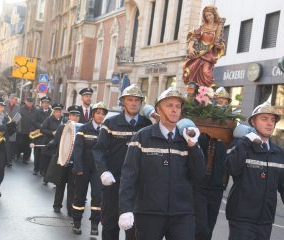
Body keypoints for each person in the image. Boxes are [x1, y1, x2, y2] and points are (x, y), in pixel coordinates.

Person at [118, 87, 205, 240]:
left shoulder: (186, 140)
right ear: (158, 109)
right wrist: (125, 208)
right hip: (149, 213)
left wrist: (193, 146)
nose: (174, 110)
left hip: (181, 214)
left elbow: (199, 174)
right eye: (169, 105)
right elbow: (129, 175)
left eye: (177, 106)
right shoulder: (142, 137)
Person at [93, 84, 152, 240]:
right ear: (123, 102)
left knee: (134, 229)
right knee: (110, 225)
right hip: (113, 183)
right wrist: (103, 171)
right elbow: (99, 150)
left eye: (137, 100)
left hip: (137, 185)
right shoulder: (110, 123)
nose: (134, 103)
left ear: (141, 103)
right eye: (130, 100)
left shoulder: (147, 125)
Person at [225, 101, 284, 240]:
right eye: (264, 119)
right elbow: (231, 168)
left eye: (272, 120)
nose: (269, 123)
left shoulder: (279, 153)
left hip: (265, 220)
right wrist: (245, 142)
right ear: (253, 122)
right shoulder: (241, 146)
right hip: (241, 219)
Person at [193, 87, 231, 240]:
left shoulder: (231, 128)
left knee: (209, 228)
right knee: (200, 227)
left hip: (217, 185)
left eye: (224, 102)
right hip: (199, 185)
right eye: (218, 102)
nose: (221, 105)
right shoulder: (203, 124)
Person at [72, 102, 108, 235]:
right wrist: (78, 167)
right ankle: (76, 222)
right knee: (80, 196)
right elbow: (78, 149)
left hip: (98, 170)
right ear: (93, 114)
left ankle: (94, 225)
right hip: (84, 168)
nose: (100, 116)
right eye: (98, 113)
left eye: (103, 114)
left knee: (97, 197)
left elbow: (107, 151)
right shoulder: (84, 128)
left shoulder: (105, 130)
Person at [49, 105, 81, 217]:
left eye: (77, 116)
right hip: (62, 160)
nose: (75, 118)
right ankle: (57, 205)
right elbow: (56, 141)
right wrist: (51, 144)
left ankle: (70, 208)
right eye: (73, 115)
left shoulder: (81, 128)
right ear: (69, 116)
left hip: (74, 162)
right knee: (60, 184)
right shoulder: (62, 127)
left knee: (72, 187)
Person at [183, 5, 225, 87]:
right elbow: (194, 37)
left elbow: (220, 42)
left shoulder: (219, 27)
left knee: (206, 72)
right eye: (206, 16)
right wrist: (190, 47)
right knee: (191, 72)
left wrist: (220, 46)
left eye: (210, 15)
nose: (208, 17)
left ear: (214, 15)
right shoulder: (202, 26)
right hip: (198, 53)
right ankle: (193, 91)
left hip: (209, 55)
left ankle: (205, 92)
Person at [38, 103, 63, 178]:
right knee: (47, 162)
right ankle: (45, 176)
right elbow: (42, 130)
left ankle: (53, 178)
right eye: (57, 112)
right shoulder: (48, 119)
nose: (58, 113)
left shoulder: (63, 120)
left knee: (55, 163)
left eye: (60, 112)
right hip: (48, 143)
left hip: (57, 144)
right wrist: (52, 133)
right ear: (54, 112)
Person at [32, 96, 52, 174]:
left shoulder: (51, 112)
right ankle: (36, 169)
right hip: (38, 135)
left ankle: (42, 170)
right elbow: (33, 122)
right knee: (37, 153)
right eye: (44, 103)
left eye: (47, 103)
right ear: (42, 103)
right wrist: (41, 126)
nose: (46, 104)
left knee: (44, 154)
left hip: (47, 136)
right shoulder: (37, 112)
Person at [17, 97, 40, 164]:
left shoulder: (36, 110)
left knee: (29, 146)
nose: (30, 103)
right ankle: (17, 154)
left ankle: (25, 158)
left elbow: (37, 120)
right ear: (25, 101)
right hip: (22, 130)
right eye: (28, 101)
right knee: (20, 143)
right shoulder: (21, 109)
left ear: (33, 102)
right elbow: (17, 119)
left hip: (31, 131)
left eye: (31, 101)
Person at [4, 94, 20, 166]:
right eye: (12, 98)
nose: (14, 100)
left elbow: (18, 116)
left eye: (15, 99)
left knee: (11, 145)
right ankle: (3, 159)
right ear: (9, 98)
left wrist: (15, 123)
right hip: (4, 126)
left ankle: (9, 160)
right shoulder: (4, 104)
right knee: (4, 144)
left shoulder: (17, 107)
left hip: (12, 127)